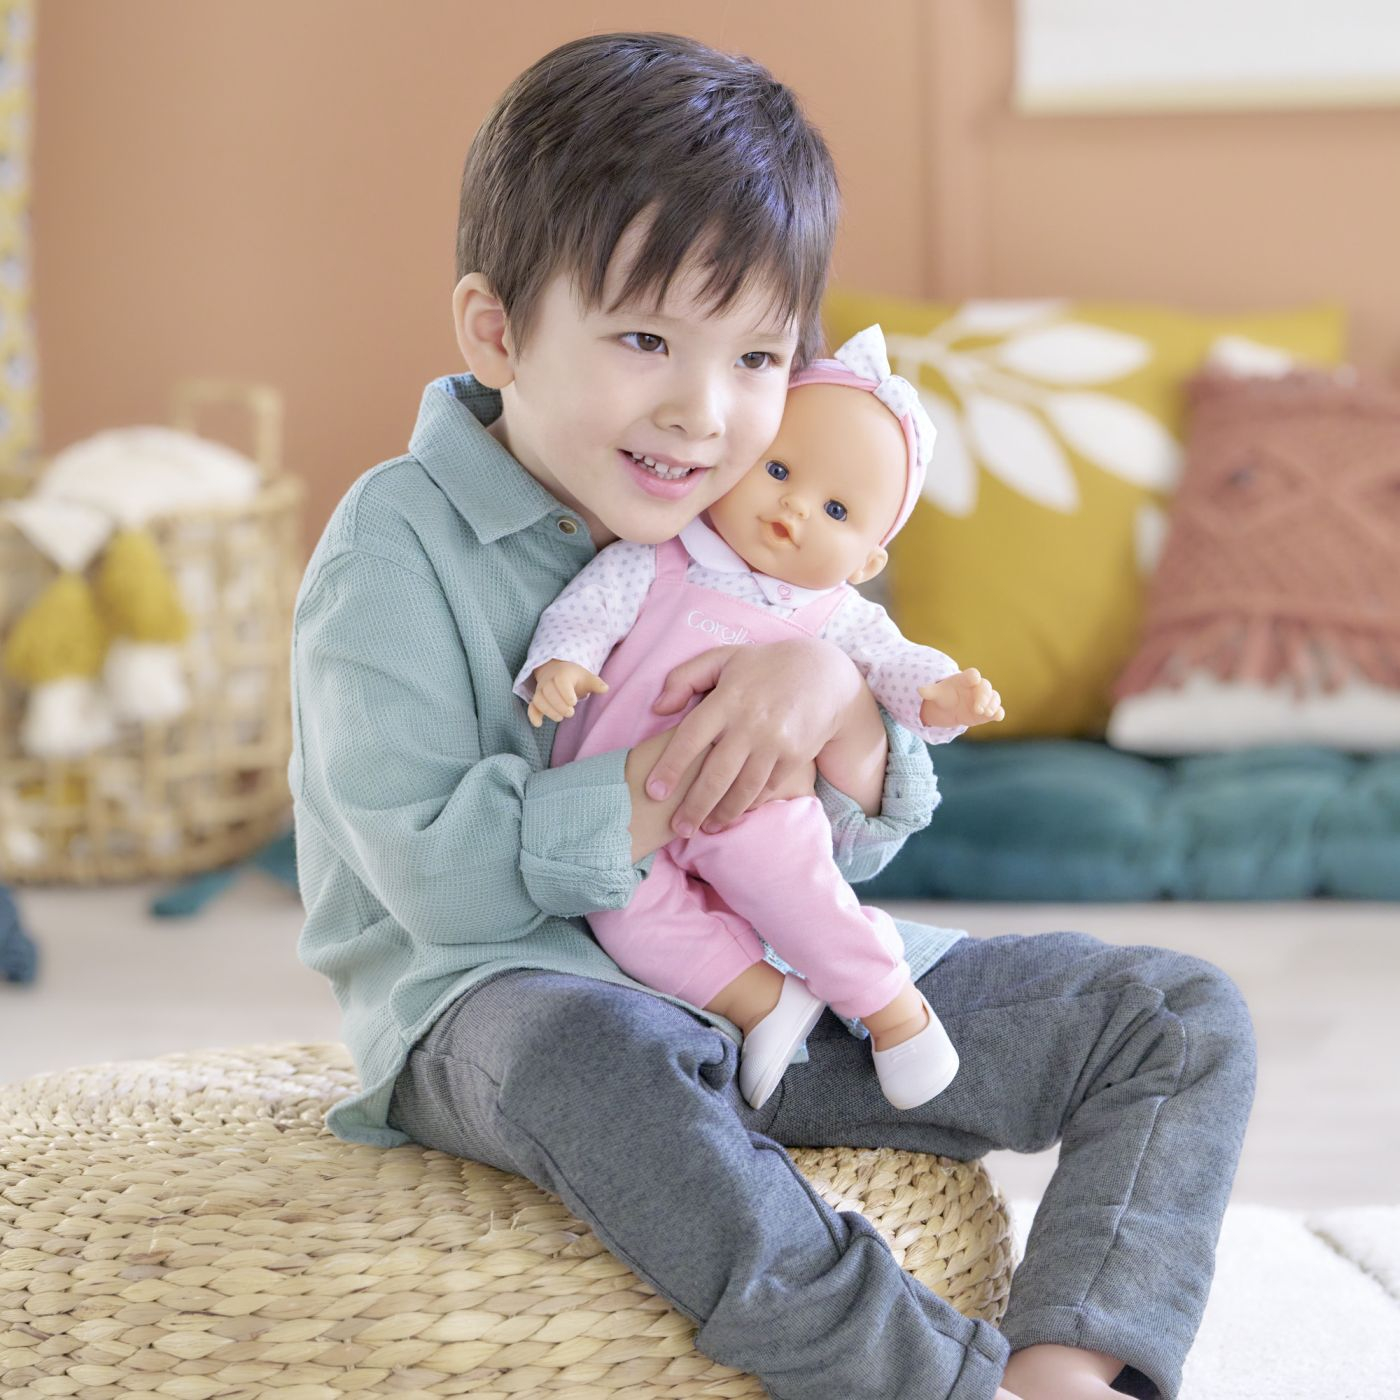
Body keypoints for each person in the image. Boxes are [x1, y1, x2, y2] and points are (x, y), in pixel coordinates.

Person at [291, 31, 1256, 1400]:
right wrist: (678, 769)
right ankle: (937, 1382)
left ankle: (1068, 1374)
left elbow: (847, 853)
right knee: (606, 1054)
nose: (703, 413)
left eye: (755, 356)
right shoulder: (392, 547)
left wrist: (832, 699)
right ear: (497, 332)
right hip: (508, 1008)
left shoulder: (766, 516)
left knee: (1174, 1015)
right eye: (644, 339)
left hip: (776, 989)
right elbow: (440, 886)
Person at [518, 324, 1005, 1113]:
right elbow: (587, 610)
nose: (793, 509)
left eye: (836, 509)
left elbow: (896, 665)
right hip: (621, 811)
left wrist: (941, 694)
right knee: (621, 915)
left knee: (786, 888)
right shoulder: (660, 553)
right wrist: (563, 663)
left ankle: (893, 1010)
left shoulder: (835, 613)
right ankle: (765, 1002)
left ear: (866, 561)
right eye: (778, 471)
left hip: (751, 802)